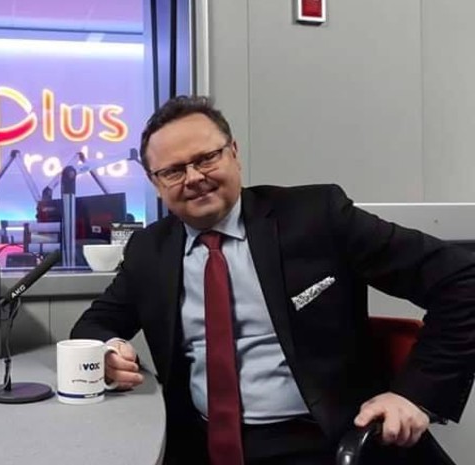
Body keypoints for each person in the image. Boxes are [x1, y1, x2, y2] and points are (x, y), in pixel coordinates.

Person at [70, 95, 475, 465]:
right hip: (198, 445)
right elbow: (94, 324)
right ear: (156, 183)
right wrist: (107, 353)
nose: (192, 177)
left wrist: (414, 396)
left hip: (325, 441)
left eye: (206, 158)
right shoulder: (149, 249)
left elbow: (462, 279)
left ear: (234, 153)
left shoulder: (316, 216)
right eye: (173, 171)